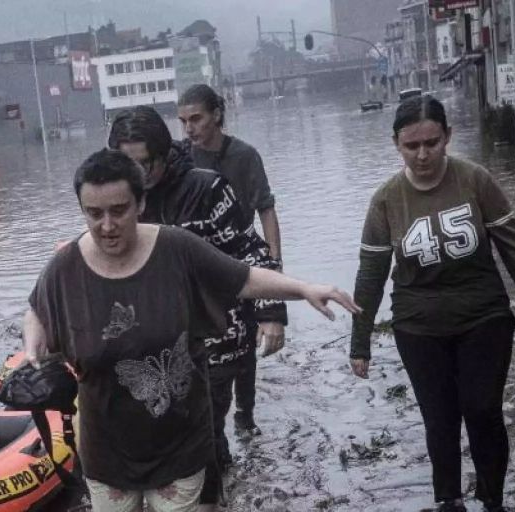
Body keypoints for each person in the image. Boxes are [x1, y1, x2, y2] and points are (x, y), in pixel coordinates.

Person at [23, 148, 359, 512]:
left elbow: (243, 278)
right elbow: (38, 306)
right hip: (107, 448)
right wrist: (33, 343)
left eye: (119, 210)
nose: (107, 225)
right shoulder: (65, 266)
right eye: (94, 213)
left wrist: (304, 289)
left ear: (141, 202)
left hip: (179, 441)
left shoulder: (176, 248)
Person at [349, 96, 515, 512]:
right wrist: (359, 341)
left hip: (483, 316)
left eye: (432, 143)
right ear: (397, 145)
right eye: (411, 146)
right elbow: (371, 275)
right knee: (440, 419)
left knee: (482, 409)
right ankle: (448, 500)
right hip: (418, 326)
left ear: (447, 137)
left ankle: (493, 498)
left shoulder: (475, 181)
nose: (423, 154)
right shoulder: (386, 200)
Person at [108, 105, 285, 506]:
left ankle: (213, 495)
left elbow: (252, 253)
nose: (136, 175)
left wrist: (272, 315)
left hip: (216, 341)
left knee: (200, 435)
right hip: (153, 347)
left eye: (144, 163)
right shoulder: (116, 202)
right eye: (126, 164)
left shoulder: (207, 189)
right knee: (173, 438)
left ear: (164, 152)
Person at [177, 84, 282, 442]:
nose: (190, 128)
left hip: (243, 257)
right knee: (209, 344)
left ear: (216, 115)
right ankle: (212, 427)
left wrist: (273, 262)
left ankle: (246, 413)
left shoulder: (245, 156)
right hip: (202, 268)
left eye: (196, 119)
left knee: (248, 338)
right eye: (183, 121)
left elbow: (266, 207)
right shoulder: (182, 161)